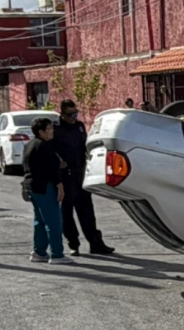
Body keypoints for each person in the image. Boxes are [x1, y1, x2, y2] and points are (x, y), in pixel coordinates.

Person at [52, 99, 115, 256]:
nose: (74, 117)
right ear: (62, 114)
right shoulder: (55, 129)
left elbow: (85, 147)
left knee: (87, 210)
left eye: (75, 113)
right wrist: (58, 161)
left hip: (80, 174)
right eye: (70, 114)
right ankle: (73, 243)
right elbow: (49, 149)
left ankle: (95, 243)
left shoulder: (79, 126)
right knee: (67, 213)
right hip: (65, 175)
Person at [24, 117, 75, 265]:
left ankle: (39, 252)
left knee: (40, 220)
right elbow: (49, 169)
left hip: (32, 187)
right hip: (45, 187)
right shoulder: (43, 146)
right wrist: (59, 185)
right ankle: (57, 254)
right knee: (54, 221)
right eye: (50, 128)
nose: (53, 131)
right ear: (41, 132)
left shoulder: (30, 144)